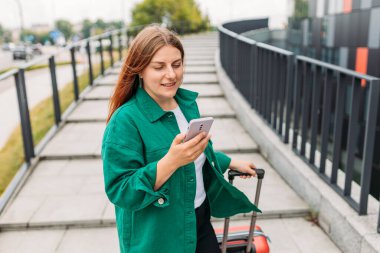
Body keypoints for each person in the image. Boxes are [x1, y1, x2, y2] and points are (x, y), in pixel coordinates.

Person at [102, 24, 260, 253]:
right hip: (157, 237)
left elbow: (195, 155)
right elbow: (120, 190)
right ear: (140, 69)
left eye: (177, 64)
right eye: (159, 67)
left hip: (197, 220)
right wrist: (171, 161)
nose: (171, 74)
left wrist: (229, 162)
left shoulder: (186, 105)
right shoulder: (125, 121)